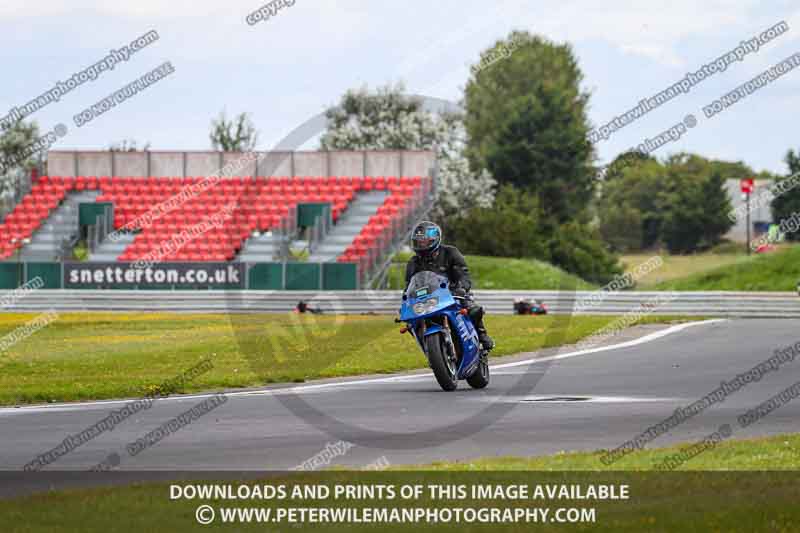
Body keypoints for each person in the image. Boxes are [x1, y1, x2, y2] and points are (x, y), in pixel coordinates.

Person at [404, 221, 494, 351]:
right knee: (411, 323)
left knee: (472, 308)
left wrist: (462, 287)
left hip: (453, 294)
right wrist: (405, 300)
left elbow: (463, 273)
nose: (421, 244)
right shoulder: (413, 262)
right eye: (418, 241)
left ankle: (482, 335)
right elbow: (409, 286)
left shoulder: (450, 252)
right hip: (428, 299)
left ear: (434, 239)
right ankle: (429, 349)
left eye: (424, 241)